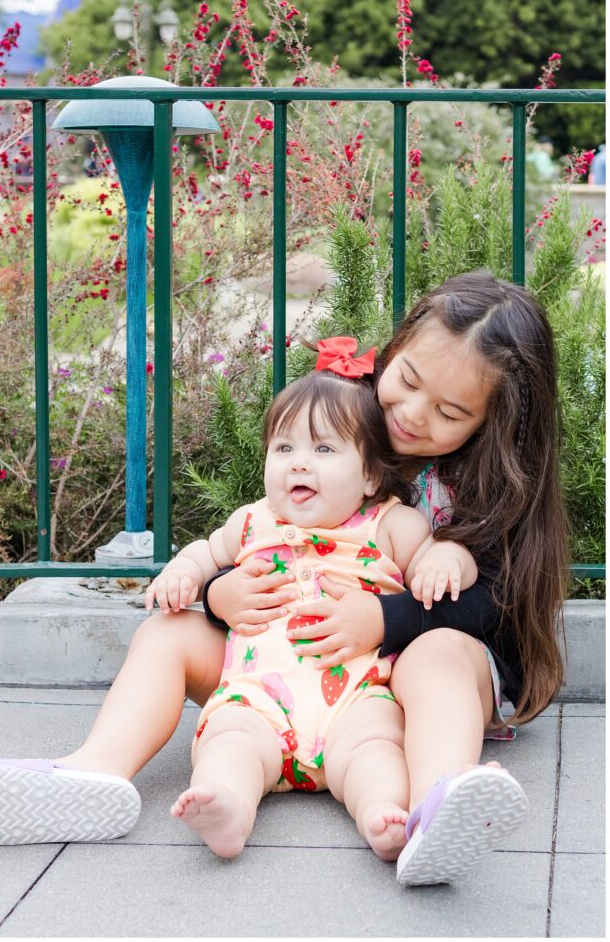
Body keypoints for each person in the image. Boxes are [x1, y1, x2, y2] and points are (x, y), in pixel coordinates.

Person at [0, 272, 566, 886]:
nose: (409, 413)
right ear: (397, 348)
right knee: (168, 633)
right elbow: (253, 544)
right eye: (405, 381)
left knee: (436, 654)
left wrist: (386, 617)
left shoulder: (485, 489)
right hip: (275, 668)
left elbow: (493, 602)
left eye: (449, 412)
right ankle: (94, 771)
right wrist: (217, 594)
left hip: (394, 680)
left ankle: (437, 805)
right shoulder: (342, 426)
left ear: (494, 422)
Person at [150, 352, 482, 862]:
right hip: (258, 700)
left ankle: (384, 816)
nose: (299, 462)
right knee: (229, 743)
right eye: (284, 447)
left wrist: (448, 559)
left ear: (371, 476)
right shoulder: (252, 521)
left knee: (376, 751)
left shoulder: (387, 524)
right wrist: (185, 574)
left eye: (324, 448)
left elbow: (437, 554)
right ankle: (229, 810)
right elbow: (204, 553)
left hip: (357, 699)